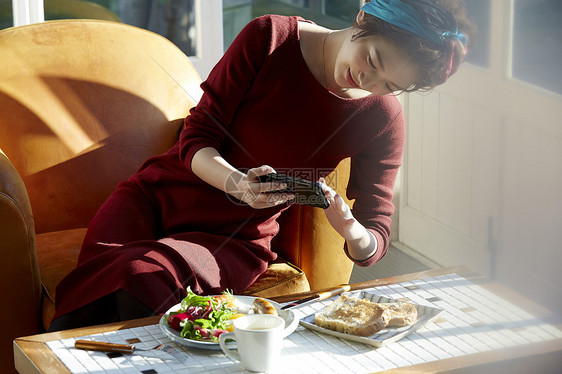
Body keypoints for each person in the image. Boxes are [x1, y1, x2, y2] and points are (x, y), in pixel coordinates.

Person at [49, 0, 472, 331]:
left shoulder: (382, 119)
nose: (370, 83)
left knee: (139, 273)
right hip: (149, 201)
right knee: (96, 299)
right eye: (374, 61)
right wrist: (236, 182)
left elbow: (375, 234)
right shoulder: (270, 38)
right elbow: (197, 136)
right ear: (364, 17)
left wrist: (351, 229)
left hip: (233, 239)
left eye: (391, 86)